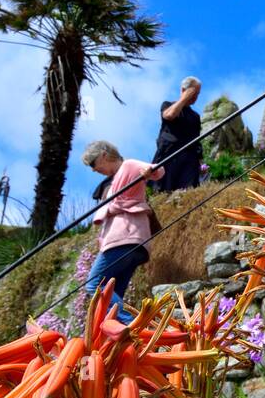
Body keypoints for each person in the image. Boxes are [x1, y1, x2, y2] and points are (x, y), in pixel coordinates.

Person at [82, 140, 164, 323]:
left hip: (124, 238)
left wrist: (148, 173)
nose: (94, 170)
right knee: (113, 293)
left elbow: (157, 170)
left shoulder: (128, 166)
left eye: (93, 164)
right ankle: (124, 339)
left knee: (95, 283)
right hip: (134, 243)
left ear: (104, 155)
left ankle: (132, 326)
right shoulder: (116, 179)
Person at [152, 77, 202, 192]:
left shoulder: (195, 116)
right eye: (193, 93)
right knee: (164, 190)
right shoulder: (167, 105)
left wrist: (201, 162)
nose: (195, 97)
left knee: (188, 191)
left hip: (189, 159)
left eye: (198, 94)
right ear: (183, 90)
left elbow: (197, 141)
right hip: (169, 155)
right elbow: (169, 116)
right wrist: (184, 99)